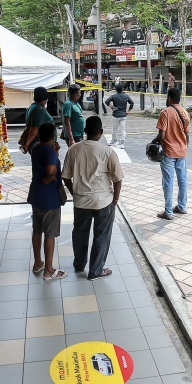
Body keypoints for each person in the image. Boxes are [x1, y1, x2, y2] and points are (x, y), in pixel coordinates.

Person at [62, 116, 123, 279]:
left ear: (85, 131)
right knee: (101, 234)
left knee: (80, 232)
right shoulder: (108, 151)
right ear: (101, 132)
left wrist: (74, 191)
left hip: (81, 200)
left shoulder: (73, 149)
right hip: (103, 201)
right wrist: (115, 200)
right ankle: (96, 270)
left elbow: (65, 177)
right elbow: (117, 179)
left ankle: (79, 264)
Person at [29, 122, 66, 280]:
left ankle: (38, 262)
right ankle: (49, 270)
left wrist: (54, 154)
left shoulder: (36, 147)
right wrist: (49, 177)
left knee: (37, 230)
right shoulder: (49, 151)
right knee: (50, 234)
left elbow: (45, 161)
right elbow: (51, 170)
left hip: (36, 195)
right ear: (52, 136)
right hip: (49, 198)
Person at [155, 87, 190, 220]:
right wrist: (184, 148)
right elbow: (187, 135)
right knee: (183, 180)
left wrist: (153, 142)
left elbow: (162, 136)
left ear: (169, 98)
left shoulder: (165, 112)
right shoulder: (185, 113)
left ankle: (168, 212)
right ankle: (181, 207)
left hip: (169, 152)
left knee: (168, 182)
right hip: (182, 152)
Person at [20, 86, 53, 153]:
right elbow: (33, 131)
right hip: (42, 146)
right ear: (46, 97)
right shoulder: (39, 110)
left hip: (39, 146)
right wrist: (26, 145)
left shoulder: (33, 106)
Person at [104, 84, 134, 148]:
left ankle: (114, 141)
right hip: (123, 115)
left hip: (115, 114)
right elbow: (132, 103)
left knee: (115, 129)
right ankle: (122, 143)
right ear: (122, 89)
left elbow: (107, 101)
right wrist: (128, 111)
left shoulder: (114, 96)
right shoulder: (126, 96)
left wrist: (112, 107)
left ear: (116, 89)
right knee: (123, 129)